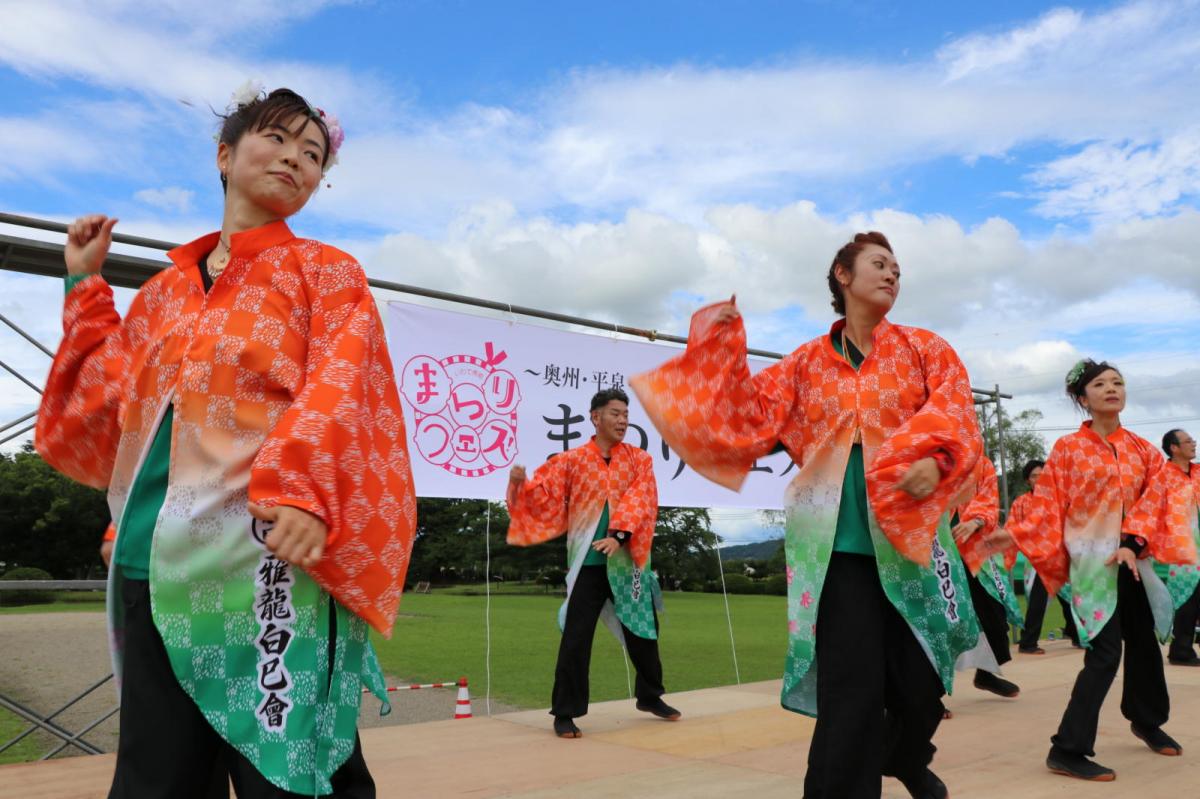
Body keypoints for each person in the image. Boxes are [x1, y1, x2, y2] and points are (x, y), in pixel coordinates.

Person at [35, 86, 416, 798]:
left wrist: (303, 494)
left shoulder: (326, 273)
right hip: (157, 560)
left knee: (291, 772)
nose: (296, 160)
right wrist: (85, 285)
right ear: (225, 153)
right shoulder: (162, 296)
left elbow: (344, 387)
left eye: (313, 154)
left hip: (270, 555)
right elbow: (114, 403)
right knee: (157, 777)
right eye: (277, 139)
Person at [632, 232, 982, 799]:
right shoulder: (806, 363)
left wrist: (938, 463)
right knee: (851, 696)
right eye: (879, 264)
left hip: (913, 545)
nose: (893, 274)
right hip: (836, 552)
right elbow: (744, 418)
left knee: (921, 687)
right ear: (842, 276)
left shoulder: (926, 349)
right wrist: (717, 347)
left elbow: (957, 415)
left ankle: (907, 755)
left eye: (897, 267)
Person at [1007, 359, 1185, 781]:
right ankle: (1067, 748)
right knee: (1105, 654)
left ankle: (1146, 719)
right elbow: (1049, 505)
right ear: (1082, 398)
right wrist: (1015, 533)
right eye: (1100, 384)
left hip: (1133, 561)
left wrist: (1131, 543)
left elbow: (1156, 501)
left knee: (1143, 644)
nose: (1112, 388)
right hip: (1091, 566)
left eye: (1118, 382)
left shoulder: (1143, 450)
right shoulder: (1068, 449)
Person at [506, 388, 680, 739]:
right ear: (595, 417)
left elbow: (640, 499)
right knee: (575, 638)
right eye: (615, 413)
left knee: (645, 634)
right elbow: (542, 496)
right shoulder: (571, 460)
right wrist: (518, 484)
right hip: (588, 562)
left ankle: (650, 697)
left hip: (627, 562)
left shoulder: (638, 460)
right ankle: (565, 713)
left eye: (626, 415)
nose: (622, 420)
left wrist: (617, 537)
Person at [1127, 429, 1200, 666]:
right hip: (1180, 547)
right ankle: (1180, 650)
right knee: (1186, 598)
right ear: (1174, 448)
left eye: (1193, 440)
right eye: (1188, 441)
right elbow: (1148, 509)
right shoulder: (1163, 477)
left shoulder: (1198, 473)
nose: (1193, 444)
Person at [951, 455, 1023, 699]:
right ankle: (927, 697)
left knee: (995, 615)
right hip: (937, 552)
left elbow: (989, 500)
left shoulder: (982, 464)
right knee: (940, 622)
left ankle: (985, 674)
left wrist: (976, 521)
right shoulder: (926, 454)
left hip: (974, 551)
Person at [1012, 460, 1080, 653]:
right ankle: (1028, 643)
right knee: (1037, 600)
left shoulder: (1058, 500)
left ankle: (1076, 635)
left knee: (1069, 599)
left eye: (1042, 475)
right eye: (1034, 476)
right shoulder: (1021, 503)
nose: (1039, 479)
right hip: (1037, 560)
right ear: (1027, 481)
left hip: (1059, 557)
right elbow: (1014, 529)